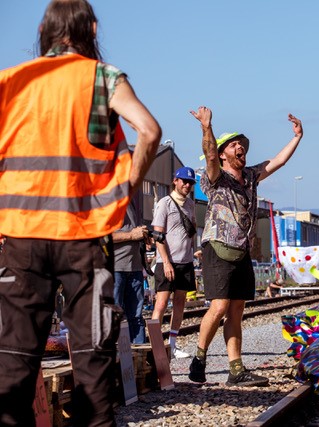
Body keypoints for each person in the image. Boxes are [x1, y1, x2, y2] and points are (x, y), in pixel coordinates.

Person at [0, 1, 161, 425]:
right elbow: (149, 130)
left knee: (13, 367)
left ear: (43, 30)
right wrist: (125, 189)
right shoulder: (103, 78)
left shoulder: (11, 81)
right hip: (85, 240)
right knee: (93, 369)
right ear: (90, 28)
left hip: (21, 240)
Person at [188, 105, 303, 386]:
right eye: (235, 144)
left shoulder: (250, 176)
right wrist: (206, 127)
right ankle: (199, 359)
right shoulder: (215, 177)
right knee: (219, 306)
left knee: (237, 310)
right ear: (225, 152)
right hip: (218, 247)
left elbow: (277, 162)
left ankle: (236, 370)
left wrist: (297, 137)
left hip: (241, 251)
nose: (241, 147)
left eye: (242, 144)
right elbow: (210, 154)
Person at [151, 166, 198, 359]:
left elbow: (192, 229)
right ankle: (154, 345)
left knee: (180, 303)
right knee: (161, 303)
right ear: (175, 181)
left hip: (185, 262)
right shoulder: (165, 203)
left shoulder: (191, 205)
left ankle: (172, 344)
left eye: (190, 183)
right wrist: (166, 262)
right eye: (184, 181)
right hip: (167, 262)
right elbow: (157, 235)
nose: (187, 185)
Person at [112, 191, 149, 344]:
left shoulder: (131, 199)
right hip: (115, 267)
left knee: (136, 317)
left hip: (134, 266)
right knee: (113, 317)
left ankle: (139, 361)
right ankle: (114, 362)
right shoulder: (107, 200)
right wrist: (131, 235)